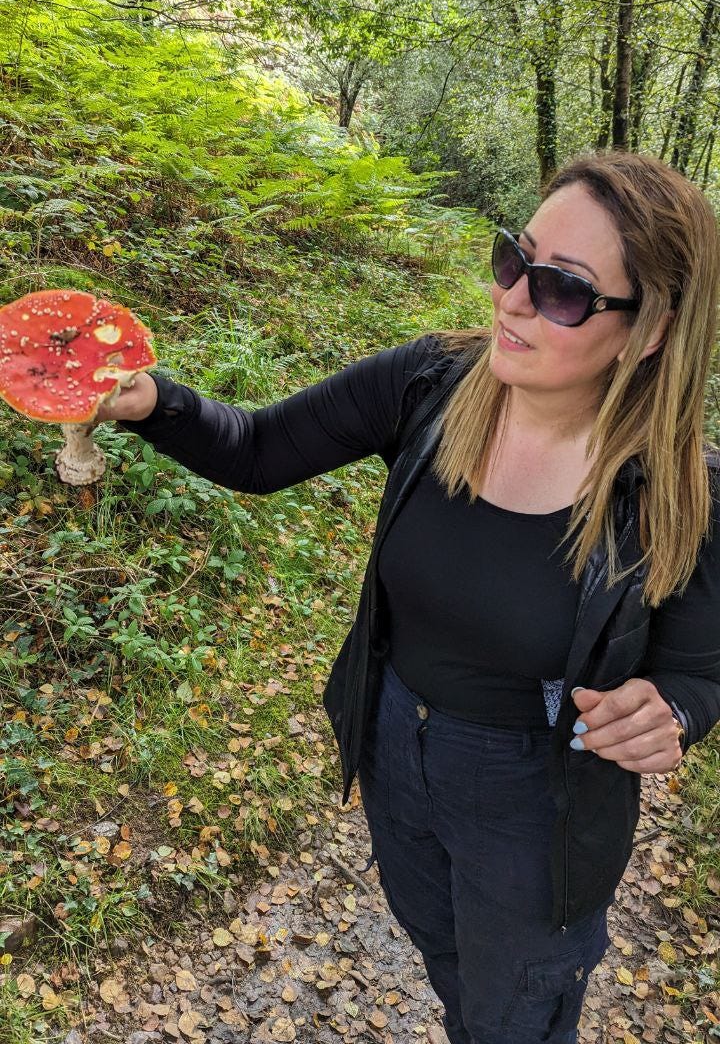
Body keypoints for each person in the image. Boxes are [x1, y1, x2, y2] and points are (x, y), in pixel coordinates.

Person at [100, 150, 720, 1044]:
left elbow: (700, 670)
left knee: (520, 1007)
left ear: (651, 327)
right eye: (515, 258)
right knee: (441, 947)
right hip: (396, 740)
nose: (511, 297)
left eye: (563, 290)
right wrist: (153, 401)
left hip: (537, 795)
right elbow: (259, 450)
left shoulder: (679, 493)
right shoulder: (431, 386)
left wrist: (676, 713)